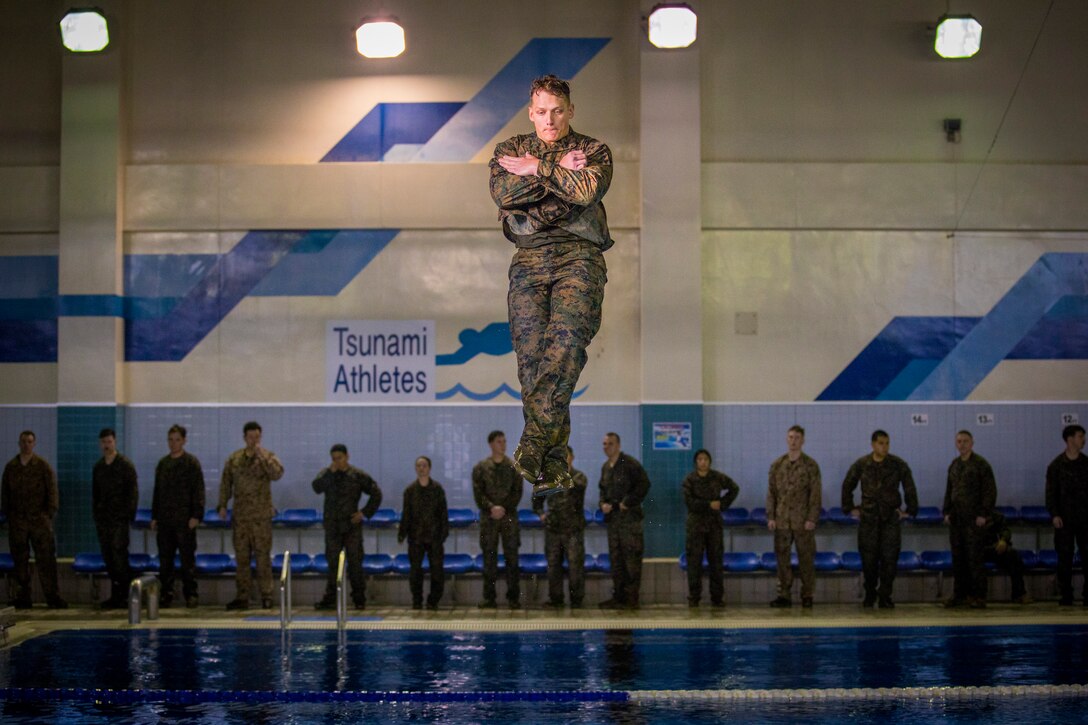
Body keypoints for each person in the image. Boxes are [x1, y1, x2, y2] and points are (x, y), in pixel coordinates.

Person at [489, 74, 613, 498]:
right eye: (541, 111)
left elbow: (588, 190)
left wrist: (538, 169)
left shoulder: (593, 151)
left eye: (557, 110)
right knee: (532, 364)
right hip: (528, 262)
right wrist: (558, 172)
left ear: (570, 110)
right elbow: (505, 194)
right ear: (530, 112)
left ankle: (533, 446)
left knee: (564, 349)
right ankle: (554, 466)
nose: (550, 119)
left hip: (579, 257)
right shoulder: (509, 151)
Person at [842, 429, 918, 609]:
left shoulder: (897, 464)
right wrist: (850, 508)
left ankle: (885, 596)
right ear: (873, 444)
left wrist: (910, 510)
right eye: (881, 443)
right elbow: (847, 485)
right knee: (868, 561)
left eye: (887, 443)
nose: (884, 447)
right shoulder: (862, 464)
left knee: (890, 560)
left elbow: (909, 488)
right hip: (868, 519)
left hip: (889, 519)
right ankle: (870, 594)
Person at [218, 421, 283, 610]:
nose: (254, 440)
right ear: (244, 437)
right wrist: (222, 504)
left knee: (263, 558)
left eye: (257, 437)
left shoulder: (267, 457)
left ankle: (267, 595)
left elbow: (277, 474)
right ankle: (243, 596)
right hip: (241, 518)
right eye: (250, 437)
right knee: (242, 558)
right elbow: (225, 483)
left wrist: (262, 456)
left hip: (261, 518)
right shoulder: (235, 459)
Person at [312, 443, 382, 610]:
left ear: (347, 457)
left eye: (340, 458)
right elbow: (316, 487)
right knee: (333, 564)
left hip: (351, 525)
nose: (337, 462)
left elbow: (376, 493)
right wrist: (330, 473)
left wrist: (364, 512)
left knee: (355, 563)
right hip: (333, 527)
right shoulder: (327, 474)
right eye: (334, 459)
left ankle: (359, 599)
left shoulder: (357, 475)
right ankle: (330, 599)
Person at [1, 431, 66, 609]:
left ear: (34, 443)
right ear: (19, 443)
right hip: (18, 521)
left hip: (40, 521)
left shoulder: (42, 466)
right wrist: (8, 515)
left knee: (46, 560)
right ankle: (23, 596)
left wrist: (49, 513)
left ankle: (52, 596)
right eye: (23, 441)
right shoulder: (11, 467)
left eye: (29, 441)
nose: (26, 445)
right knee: (20, 561)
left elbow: (52, 491)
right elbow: (5, 494)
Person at [767, 425, 822, 609]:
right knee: (782, 559)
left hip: (802, 521)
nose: (793, 441)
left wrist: (812, 519)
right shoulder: (777, 465)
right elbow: (771, 494)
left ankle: (807, 594)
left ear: (803, 440)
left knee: (806, 559)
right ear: (786, 439)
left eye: (797, 437)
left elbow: (815, 494)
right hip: (782, 519)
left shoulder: (810, 465)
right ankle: (784, 595)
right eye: (790, 437)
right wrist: (771, 516)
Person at [941, 430, 997, 609]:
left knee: (975, 559)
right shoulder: (954, 465)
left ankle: (979, 596)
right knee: (958, 560)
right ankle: (960, 595)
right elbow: (949, 491)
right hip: (957, 520)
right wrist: (947, 512)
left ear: (972, 442)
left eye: (965, 441)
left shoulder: (981, 465)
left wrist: (983, 514)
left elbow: (989, 491)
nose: (962, 444)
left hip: (974, 520)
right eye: (959, 441)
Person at [151, 424, 205, 608]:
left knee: (187, 561)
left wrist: (196, 515)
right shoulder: (163, 464)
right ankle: (166, 593)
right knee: (165, 561)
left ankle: (191, 594)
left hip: (185, 521)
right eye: (170, 440)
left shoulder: (191, 463)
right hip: (166, 521)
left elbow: (198, 491)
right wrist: (155, 516)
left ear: (184, 441)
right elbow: (157, 492)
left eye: (177, 440)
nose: (173, 444)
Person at [598, 432, 651, 610]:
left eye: (610, 444)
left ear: (618, 445)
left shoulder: (629, 464)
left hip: (629, 522)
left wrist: (627, 502)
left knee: (631, 562)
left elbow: (644, 485)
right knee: (617, 562)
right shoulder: (606, 467)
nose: (607, 447)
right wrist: (603, 504)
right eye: (604, 444)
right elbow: (602, 491)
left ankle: (631, 599)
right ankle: (619, 597)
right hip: (613, 522)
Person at [682, 448, 740, 608]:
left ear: (710, 461)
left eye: (706, 459)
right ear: (696, 462)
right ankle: (694, 597)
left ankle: (717, 598)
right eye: (700, 459)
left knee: (716, 562)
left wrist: (722, 504)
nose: (703, 462)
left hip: (714, 525)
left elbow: (734, 488)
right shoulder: (689, 480)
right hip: (695, 526)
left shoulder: (717, 477)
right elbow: (690, 503)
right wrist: (709, 504)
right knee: (694, 563)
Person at [472, 430, 524, 609]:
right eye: (499, 442)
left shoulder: (513, 467)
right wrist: (491, 508)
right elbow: (478, 494)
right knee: (489, 559)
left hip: (508, 517)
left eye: (504, 441)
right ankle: (489, 598)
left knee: (512, 558)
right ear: (491, 444)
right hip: (489, 518)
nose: (503, 445)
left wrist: (503, 508)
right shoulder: (481, 468)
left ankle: (513, 598)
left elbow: (517, 492)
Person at [533, 445, 588, 608]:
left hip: (573, 530)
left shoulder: (579, 477)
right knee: (553, 566)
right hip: (553, 529)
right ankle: (556, 599)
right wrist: (541, 513)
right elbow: (537, 498)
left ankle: (576, 600)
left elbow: (576, 487)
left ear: (572, 458)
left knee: (575, 566)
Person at [92, 428, 139, 609]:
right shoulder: (99, 467)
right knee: (109, 557)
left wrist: (129, 515)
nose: (107, 445)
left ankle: (124, 595)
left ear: (115, 442)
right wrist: (96, 515)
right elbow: (95, 494)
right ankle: (116, 595)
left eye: (109, 442)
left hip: (119, 519)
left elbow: (132, 492)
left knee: (119, 556)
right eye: (104, 442)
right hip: (104, 520)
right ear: (100, 444)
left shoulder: (125, 465)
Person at [398, 456, 449, 610]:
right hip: (416, 537)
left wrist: (443, 534)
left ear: (429, 468)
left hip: (434, 537)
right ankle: (417, 600)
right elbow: (406, 514)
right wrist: (402, 533)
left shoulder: (437, 489)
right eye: (419, 465)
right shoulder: (410, 491)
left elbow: (443, 514)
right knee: (415, 572)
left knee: (437, 571)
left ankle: (433, 601)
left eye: (424, 465)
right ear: (416, 468)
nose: (421, 468)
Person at [1046, 424, 1088, 606]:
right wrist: (1054, 514)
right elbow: (1050, 493)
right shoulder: (1056, 466)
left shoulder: (1086, 464)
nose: (1083, 440)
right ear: (1070, 439)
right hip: (1064, 520)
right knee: (1065, 558)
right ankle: (1066, 594)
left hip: (1085, 519)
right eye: (1080, 436)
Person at [981, 508, 1032, 604]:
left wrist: (1003, 540)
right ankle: (974, 597)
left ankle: (1019, 594)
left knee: (1013, 555)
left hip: (992, 548)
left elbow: (1005, 530)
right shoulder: (968, 515)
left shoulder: (995, 516)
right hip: (974, 549)